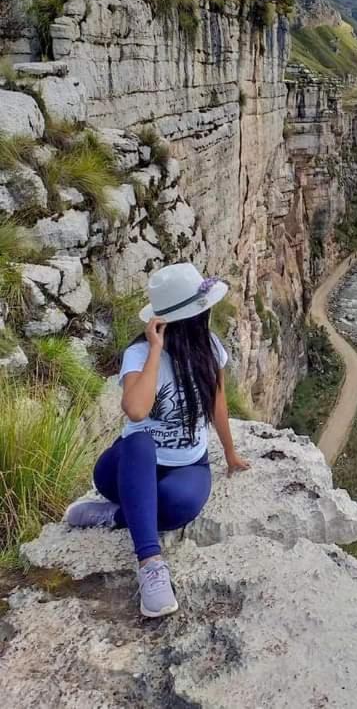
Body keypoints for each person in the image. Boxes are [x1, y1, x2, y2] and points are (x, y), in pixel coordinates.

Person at [64, 263, 251, 617]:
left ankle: (118, 516)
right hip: (129, 467)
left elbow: (218, 402)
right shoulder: (138, 355)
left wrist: (230, 452)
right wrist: (154, 350)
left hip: (187, 465)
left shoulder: (209, 349)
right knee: (140, 441)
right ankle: (151, 564)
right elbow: (136, 411)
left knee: (179, 506)